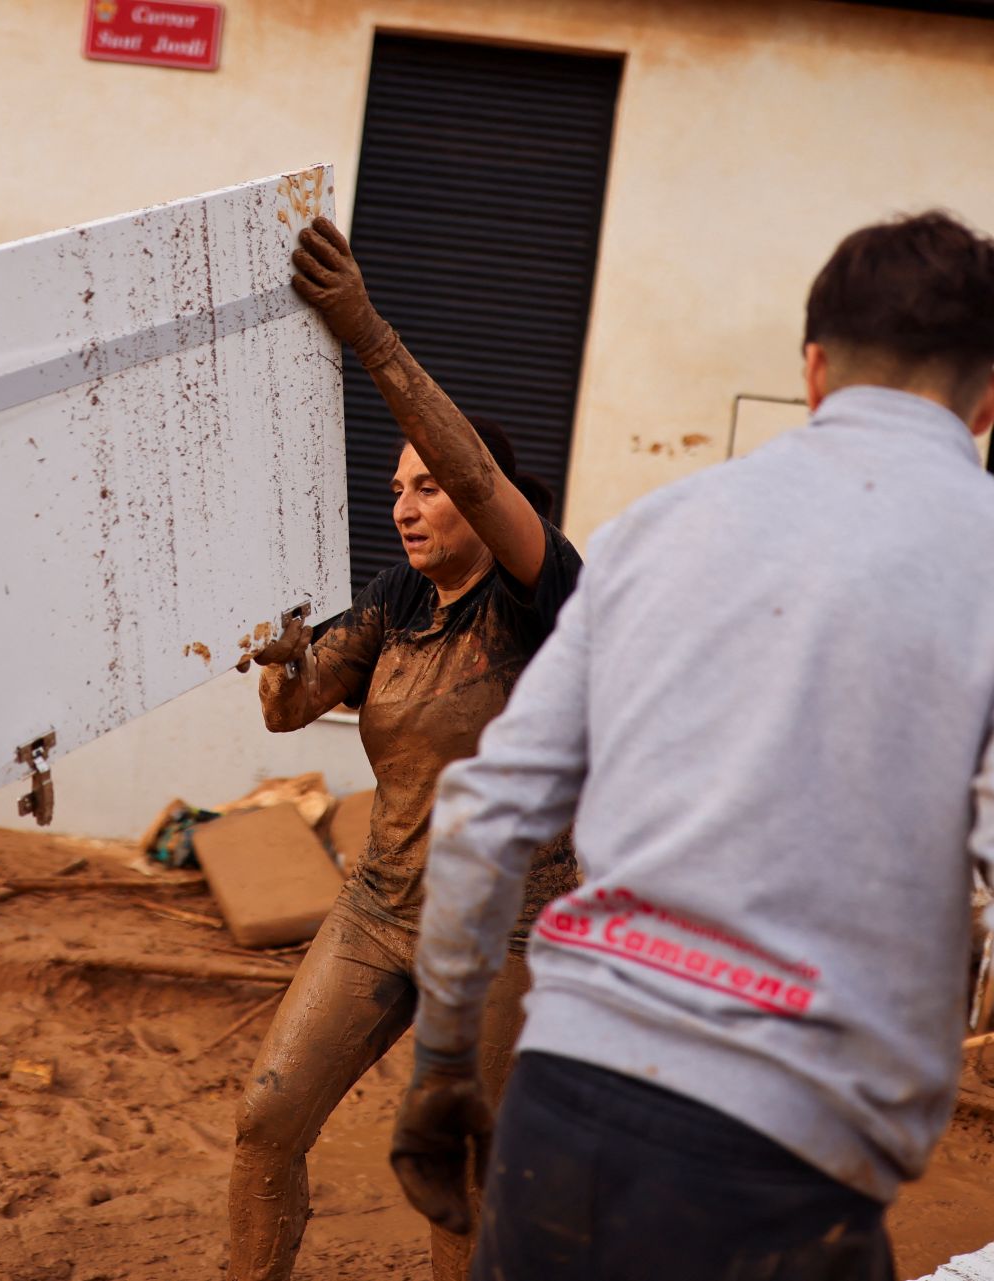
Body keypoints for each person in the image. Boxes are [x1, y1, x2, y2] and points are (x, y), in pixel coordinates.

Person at [404, 210, 994, 1280]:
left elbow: (485, 811)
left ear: (812, 371)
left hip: (558, 1118)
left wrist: (441, 1069)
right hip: (778, 1168)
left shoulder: (651, 534)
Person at [226, 217, 583, 1281]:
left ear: (482, 499)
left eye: (427, 487)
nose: (407, 506)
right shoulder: (397, 603)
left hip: (503, 934)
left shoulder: (542, 594)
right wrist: (279, 659)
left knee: (458, 1187)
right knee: (263, 1123)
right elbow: (291, 713)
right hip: (380, 912)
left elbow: (476, 474)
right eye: (395, 491)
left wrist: (364, 331)